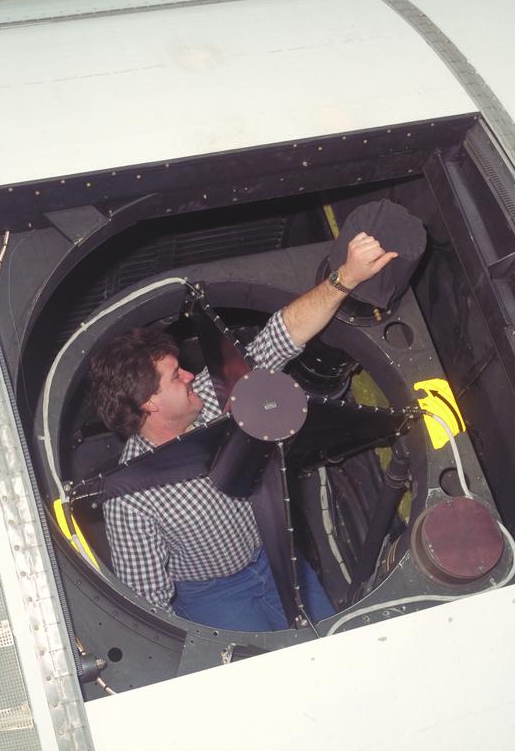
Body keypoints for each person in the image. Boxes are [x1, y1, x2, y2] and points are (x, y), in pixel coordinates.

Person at [89, 233, 397, 631]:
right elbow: (150, 607)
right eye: (175, 377)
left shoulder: (210, 395)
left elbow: (280, 337)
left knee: (330, 640)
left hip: (272, 551)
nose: (189, 374)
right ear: (149, 403)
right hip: (213, 594)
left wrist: (345, 278)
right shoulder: (130, 499)